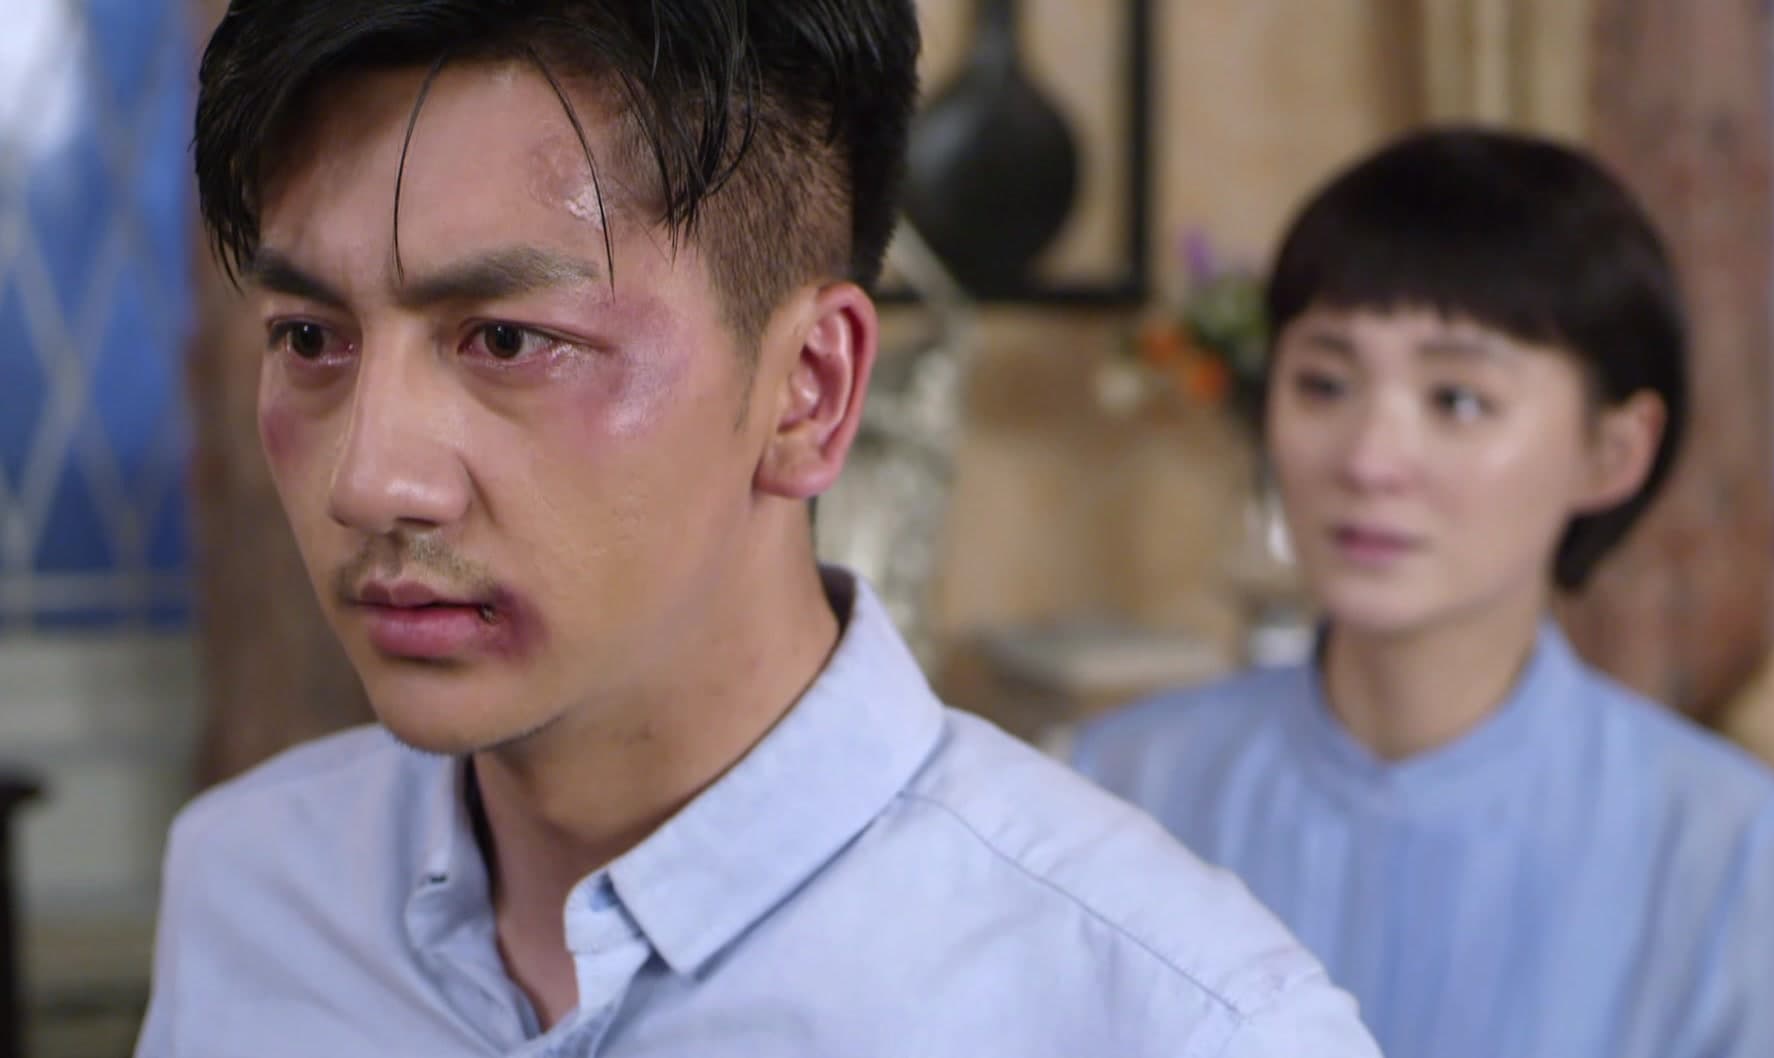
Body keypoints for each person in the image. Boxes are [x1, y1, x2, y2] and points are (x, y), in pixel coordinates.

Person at [134, 4, 1383, 1056]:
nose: (370, 479)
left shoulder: (1171, 1018)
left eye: (508, 339)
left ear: (809, 391)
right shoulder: (252, 887)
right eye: (311, 337)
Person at [1071, 127, 1774, 1058]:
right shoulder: (1125, 788)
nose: (1370, 459)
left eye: (1457, 400)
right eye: (1324, 383)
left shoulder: (1723, 846)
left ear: (1611, 452)